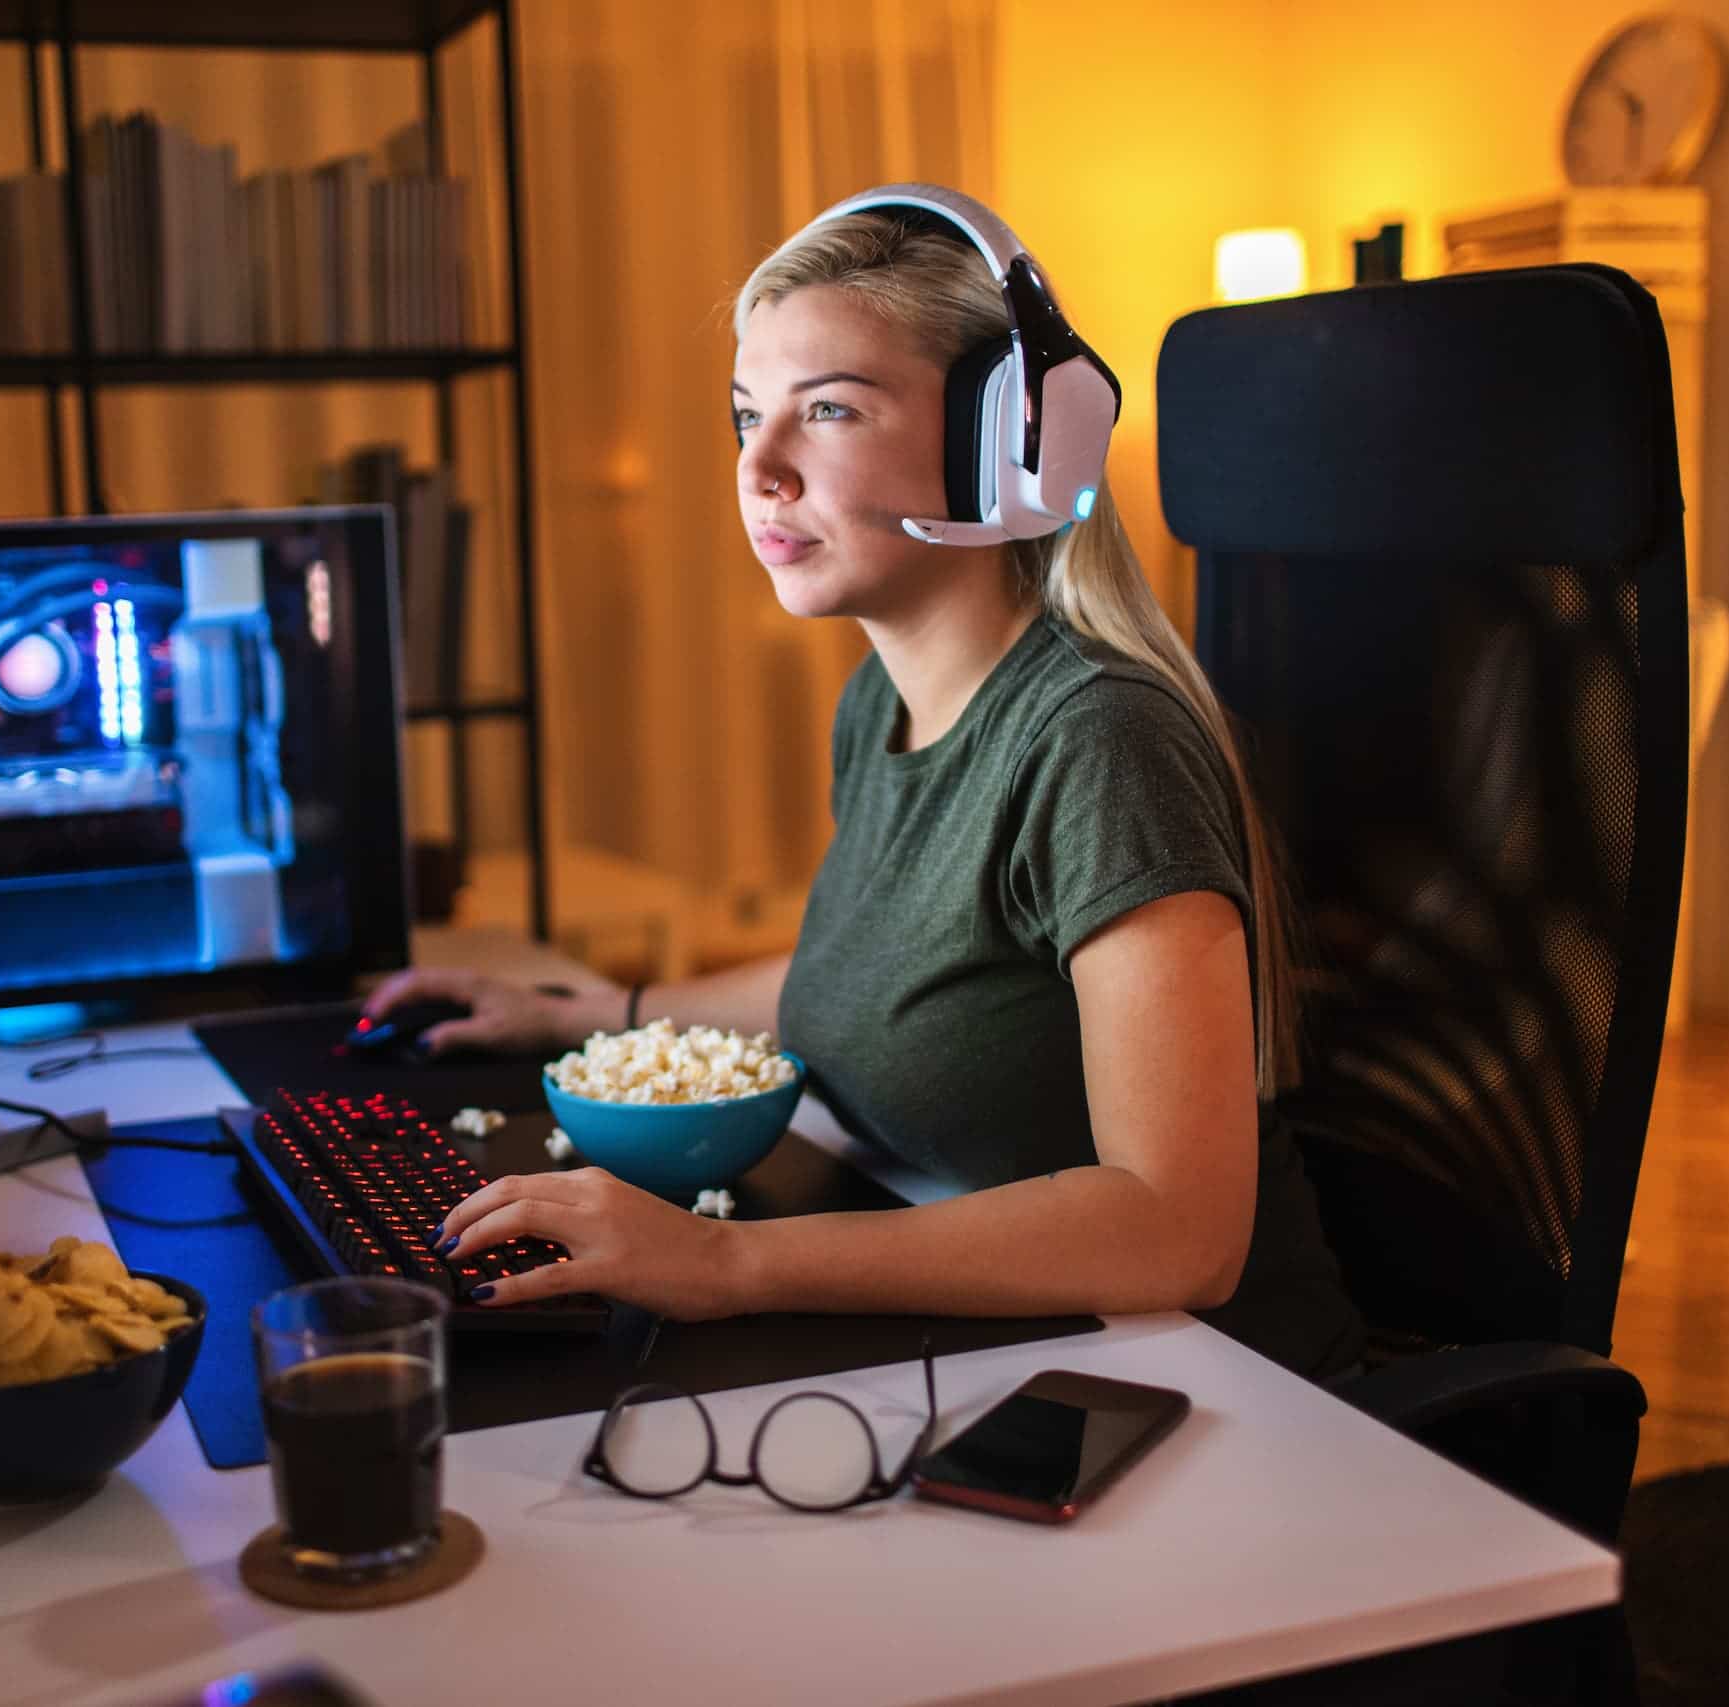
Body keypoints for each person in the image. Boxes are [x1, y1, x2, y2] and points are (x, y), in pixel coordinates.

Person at [368, 188, 1364, 1381]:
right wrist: (585, 1011)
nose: (760, 469)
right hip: (993, 1336)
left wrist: (721, 1265)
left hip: (1203, 1394)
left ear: (1009, 445)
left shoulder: (1101, 741)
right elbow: (878, 977)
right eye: (746, 416)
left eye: (828, 410)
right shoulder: (877, 702)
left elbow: (1180, 1232)